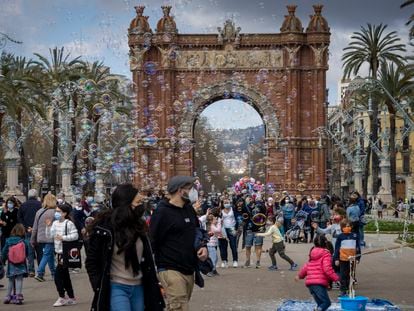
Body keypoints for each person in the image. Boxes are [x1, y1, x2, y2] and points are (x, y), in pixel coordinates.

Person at [86, 184, 164, 311]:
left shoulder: (140, 227)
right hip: (116, 285)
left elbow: (147, 259)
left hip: (139, 285)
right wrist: (99, 286)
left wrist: (155, 284)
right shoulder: (105, 229)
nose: (141, 206)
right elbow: (92, 261)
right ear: (126, 203)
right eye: (138, 202)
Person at [150, 176, 208, 311]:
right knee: (179, 307)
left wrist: (202, 246)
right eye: (190, 188)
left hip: (188, 268)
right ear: (180, 190)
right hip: (169, 267)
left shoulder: (188, 209)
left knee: (180, 305)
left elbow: (197, 231)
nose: (194, 191)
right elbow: (153, 240)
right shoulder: (162, 212)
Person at [45, 204, 78, 307]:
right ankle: (72, 297)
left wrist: (63, 237)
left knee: (57, 276)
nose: (56, 213)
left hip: (65, 253)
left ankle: (62, 297)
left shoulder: (69, 223)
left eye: (59, 211)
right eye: (56, 211)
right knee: (65, 276)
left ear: (64, 213)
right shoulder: (55, 223)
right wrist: (48, 226)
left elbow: (75, 235)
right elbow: (49, 235)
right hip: (58, 252)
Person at [295, 235, 339, 311]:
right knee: (326, 303)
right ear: (326, 243)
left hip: (310, 284)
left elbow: (306, 266)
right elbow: (327, 269)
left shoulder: (312, 253)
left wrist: (299, 275)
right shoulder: (326, 254)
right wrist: (336, 278)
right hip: (319, 284)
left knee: (320, 304)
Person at [31, 192, 57, 282]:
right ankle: (40, 273)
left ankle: (54, 273)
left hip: (40, 237)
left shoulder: (39, 211)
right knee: (47, 255)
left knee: (49, 255)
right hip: (50, 237)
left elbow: (35, 227)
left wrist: (32, 240)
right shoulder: (55, 212)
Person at [1, 224, 29, 305]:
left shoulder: (8, 240)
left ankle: (7, 296)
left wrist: (3, 261)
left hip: (11, 263)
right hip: (21, 263)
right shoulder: (23, 241)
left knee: (10, 280)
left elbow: (4, 252)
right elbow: (26, 252)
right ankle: (18, 297)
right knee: (19, 279)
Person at [17, 189, 41, 277]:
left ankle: (31, 270)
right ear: (36, 195)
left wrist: (26, 227)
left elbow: (19, 217)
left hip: (28, 231)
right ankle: (40, 269)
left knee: (30, 251)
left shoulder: (23, 205)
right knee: (39, 251)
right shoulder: (40, 204)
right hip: (38, 230)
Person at [334, 220, 361, 297]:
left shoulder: (355, 236)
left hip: (352, 259)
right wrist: (336, 258)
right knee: (343, 275)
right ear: (342, 228)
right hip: (343, 259)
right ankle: (343, 290)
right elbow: (337, 248)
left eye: (349, 226)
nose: (347, 227)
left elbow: (358, 247)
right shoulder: (340, 236)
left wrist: (358, 258)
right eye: (345, 226)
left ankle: (350, 289)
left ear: (351, 227)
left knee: (351, 275)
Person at [242, 195, 267, 268]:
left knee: (258, 246)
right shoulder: (245, 207)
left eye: (250, 198)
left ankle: (258, 262)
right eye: (248, 198)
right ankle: (247, 261)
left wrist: (263, 226)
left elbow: (264, 214)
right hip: (249, 229)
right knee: (248, 246)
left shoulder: (259, 205)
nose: (249, 199)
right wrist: (244, 201)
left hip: (259, 228)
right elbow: (239, 212)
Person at [220, 198, 239, 268]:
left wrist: (236, 229)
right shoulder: (221, 211)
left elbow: (237, 218)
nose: (226, 203)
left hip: (232, 228)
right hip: (223, 229)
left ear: (230, 203)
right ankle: (224, 261)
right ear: (222, 203)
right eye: (225, 202)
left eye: (227, 202)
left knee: (233, 245)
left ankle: (235, 260)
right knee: (223, 246)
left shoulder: (233, 209)